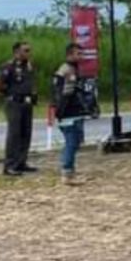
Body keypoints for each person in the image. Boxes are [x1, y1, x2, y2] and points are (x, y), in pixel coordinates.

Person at [0, 40, 37, 177]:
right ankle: (10, 165)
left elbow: (30, 83)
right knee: (14, 134)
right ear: (17, 52)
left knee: (26, 133)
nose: (29, 53)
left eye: (29, 50)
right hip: (14, 103)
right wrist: (10, 93)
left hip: (27, 103)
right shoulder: (9, 67)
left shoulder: (28, 66)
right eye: (26, 50)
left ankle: (21, 162)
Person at [52, 42, 88, 186]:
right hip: (68, 113)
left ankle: (70, 171)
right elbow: (61, 94)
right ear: (69, 55)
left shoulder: (74, 69)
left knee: (76, 141)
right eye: (78, 54)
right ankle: (67, 173)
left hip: (75, 111)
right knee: (71, 143)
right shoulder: (66, 70)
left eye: (81, 53)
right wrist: (60, 112)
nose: (81, 56)